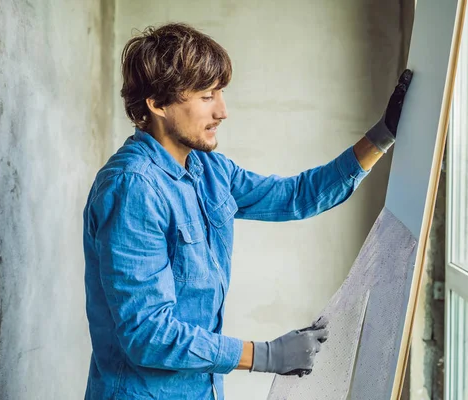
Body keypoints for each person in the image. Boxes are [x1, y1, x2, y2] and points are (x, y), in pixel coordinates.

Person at [83, 22, 412, 400]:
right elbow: (148, 335)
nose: (222, 110)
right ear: (157, 104)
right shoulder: (132, 188)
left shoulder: (209, 170)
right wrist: (266, 355)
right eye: (207, 96)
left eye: (220, 92)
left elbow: (296, 196)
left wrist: (383, 135)